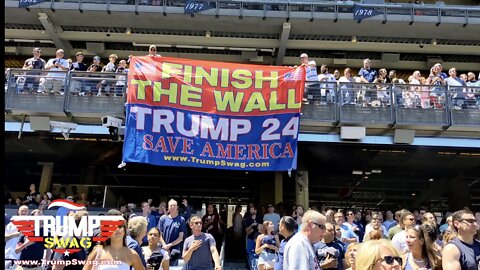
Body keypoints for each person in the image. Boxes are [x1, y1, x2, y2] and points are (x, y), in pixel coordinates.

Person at [157, 199, 186, 266]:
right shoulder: (163, 218)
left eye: (174, 205)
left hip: (175, 250)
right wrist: (164, 245)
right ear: (168, 207)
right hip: (163, 248)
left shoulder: (181, 220)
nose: (172, 207)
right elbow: (159, 234)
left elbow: (180, 237)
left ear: (177, 207)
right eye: (171, 205)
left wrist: (170, 245)